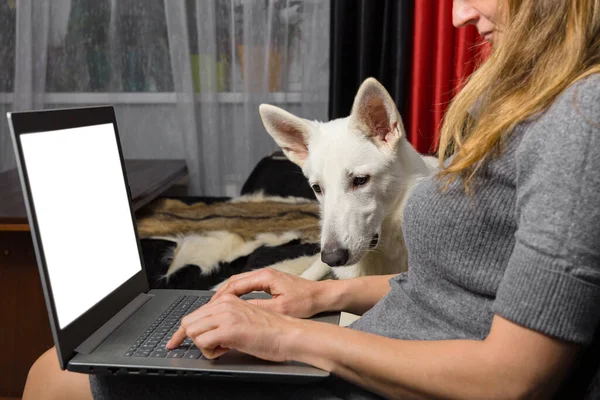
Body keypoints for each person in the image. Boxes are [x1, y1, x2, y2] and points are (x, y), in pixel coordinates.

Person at [23, 0, 600, 398]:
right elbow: (463, 288)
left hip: (387, 376)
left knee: (55, 375)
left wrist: (290, 337)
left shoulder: (582, 117)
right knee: (83, 355)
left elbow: (512, 378)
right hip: (372, 347)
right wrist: (320, 296)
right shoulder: (527, 103)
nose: (456, 15)